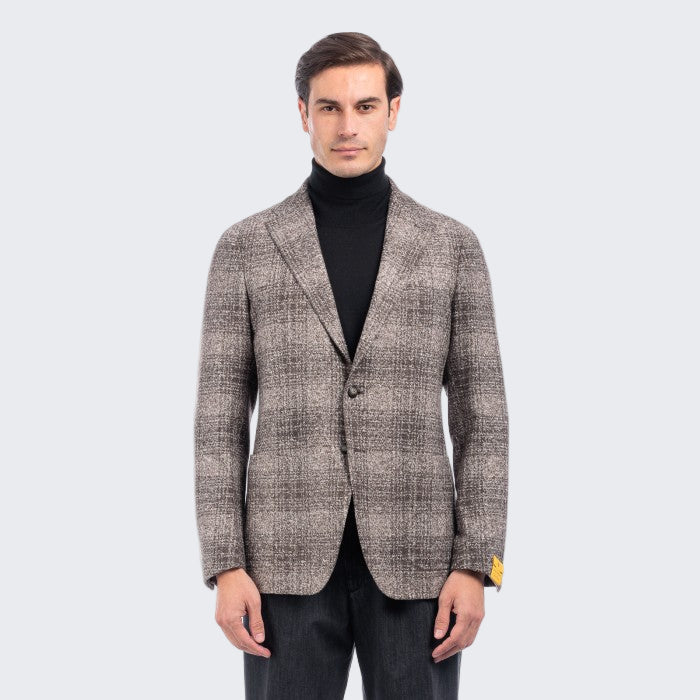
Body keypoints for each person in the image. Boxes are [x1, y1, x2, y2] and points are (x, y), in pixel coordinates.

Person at [194, 31, 509, 700]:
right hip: (280, 565)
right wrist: (224, 564)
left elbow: (484, 420)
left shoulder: (452, 247)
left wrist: (478, 564)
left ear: (393, 111)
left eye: (365, 106)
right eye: (329, 107)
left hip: (421, 564)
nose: (347, 126)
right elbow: (217, 421)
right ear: (302, 113)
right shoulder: (246, 247)